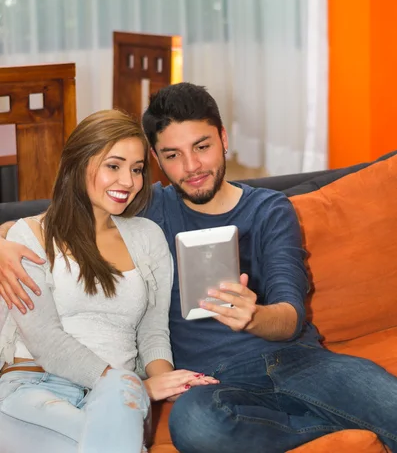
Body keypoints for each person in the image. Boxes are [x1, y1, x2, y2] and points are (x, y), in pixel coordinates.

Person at [0, 84, 397, 453]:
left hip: (299, 361)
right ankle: (339, 426)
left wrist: (255, 317)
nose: (191, 167)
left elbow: (290, 317)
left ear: (223, 139)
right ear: (156, 160)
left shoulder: (270, 210)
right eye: (172, 155)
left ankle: (353, 420)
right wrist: (3, 242)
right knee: (195, 425)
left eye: (202, 146)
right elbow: (65, 216)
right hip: (216, 380)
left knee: (389, 402)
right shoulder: (148, 211)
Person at [0, 108, 216, 453]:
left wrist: (162, 378)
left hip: (117, 399)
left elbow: (153, 331)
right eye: (113, 166)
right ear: (78, 163)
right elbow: (45, 341)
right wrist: (130, 384)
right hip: (34, 388)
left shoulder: (148, 237)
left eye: (137, 169)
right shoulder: (27, 237)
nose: (128, 182)